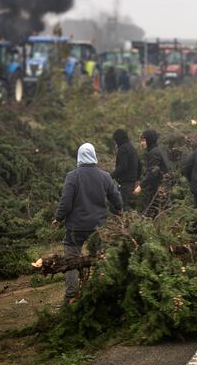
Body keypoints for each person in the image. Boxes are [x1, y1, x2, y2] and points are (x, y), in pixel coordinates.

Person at [53, 143, 123, 304]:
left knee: (71, 259)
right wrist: (120, 210)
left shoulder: (72, 176)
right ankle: (102, 291)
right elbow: (115, 196)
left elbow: (66, 202)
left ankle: (71, 296)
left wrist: (58, 218)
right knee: (100, 257)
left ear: (79, 157)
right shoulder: (104, 176)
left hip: (75, 227)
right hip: (98, 227)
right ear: (94, 156)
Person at [140, 129, 171, 216]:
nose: (142, 143)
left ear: (149, 140)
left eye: (143, 140)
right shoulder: (159, 150)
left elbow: (152, 173)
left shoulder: (153, 153)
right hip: (164, 187)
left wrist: (140, 186)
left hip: (158, 189)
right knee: (164, 213)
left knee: (149, 215)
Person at [111, 129, 141, 210]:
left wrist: (110, 176)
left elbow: (122, 167)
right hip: (132, 184)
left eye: (115, 140)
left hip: (125, 184)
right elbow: (139, 165)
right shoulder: (132, 148)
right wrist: (137, 180)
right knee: (128, 206)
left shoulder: (123, 149)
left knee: (122, 207)